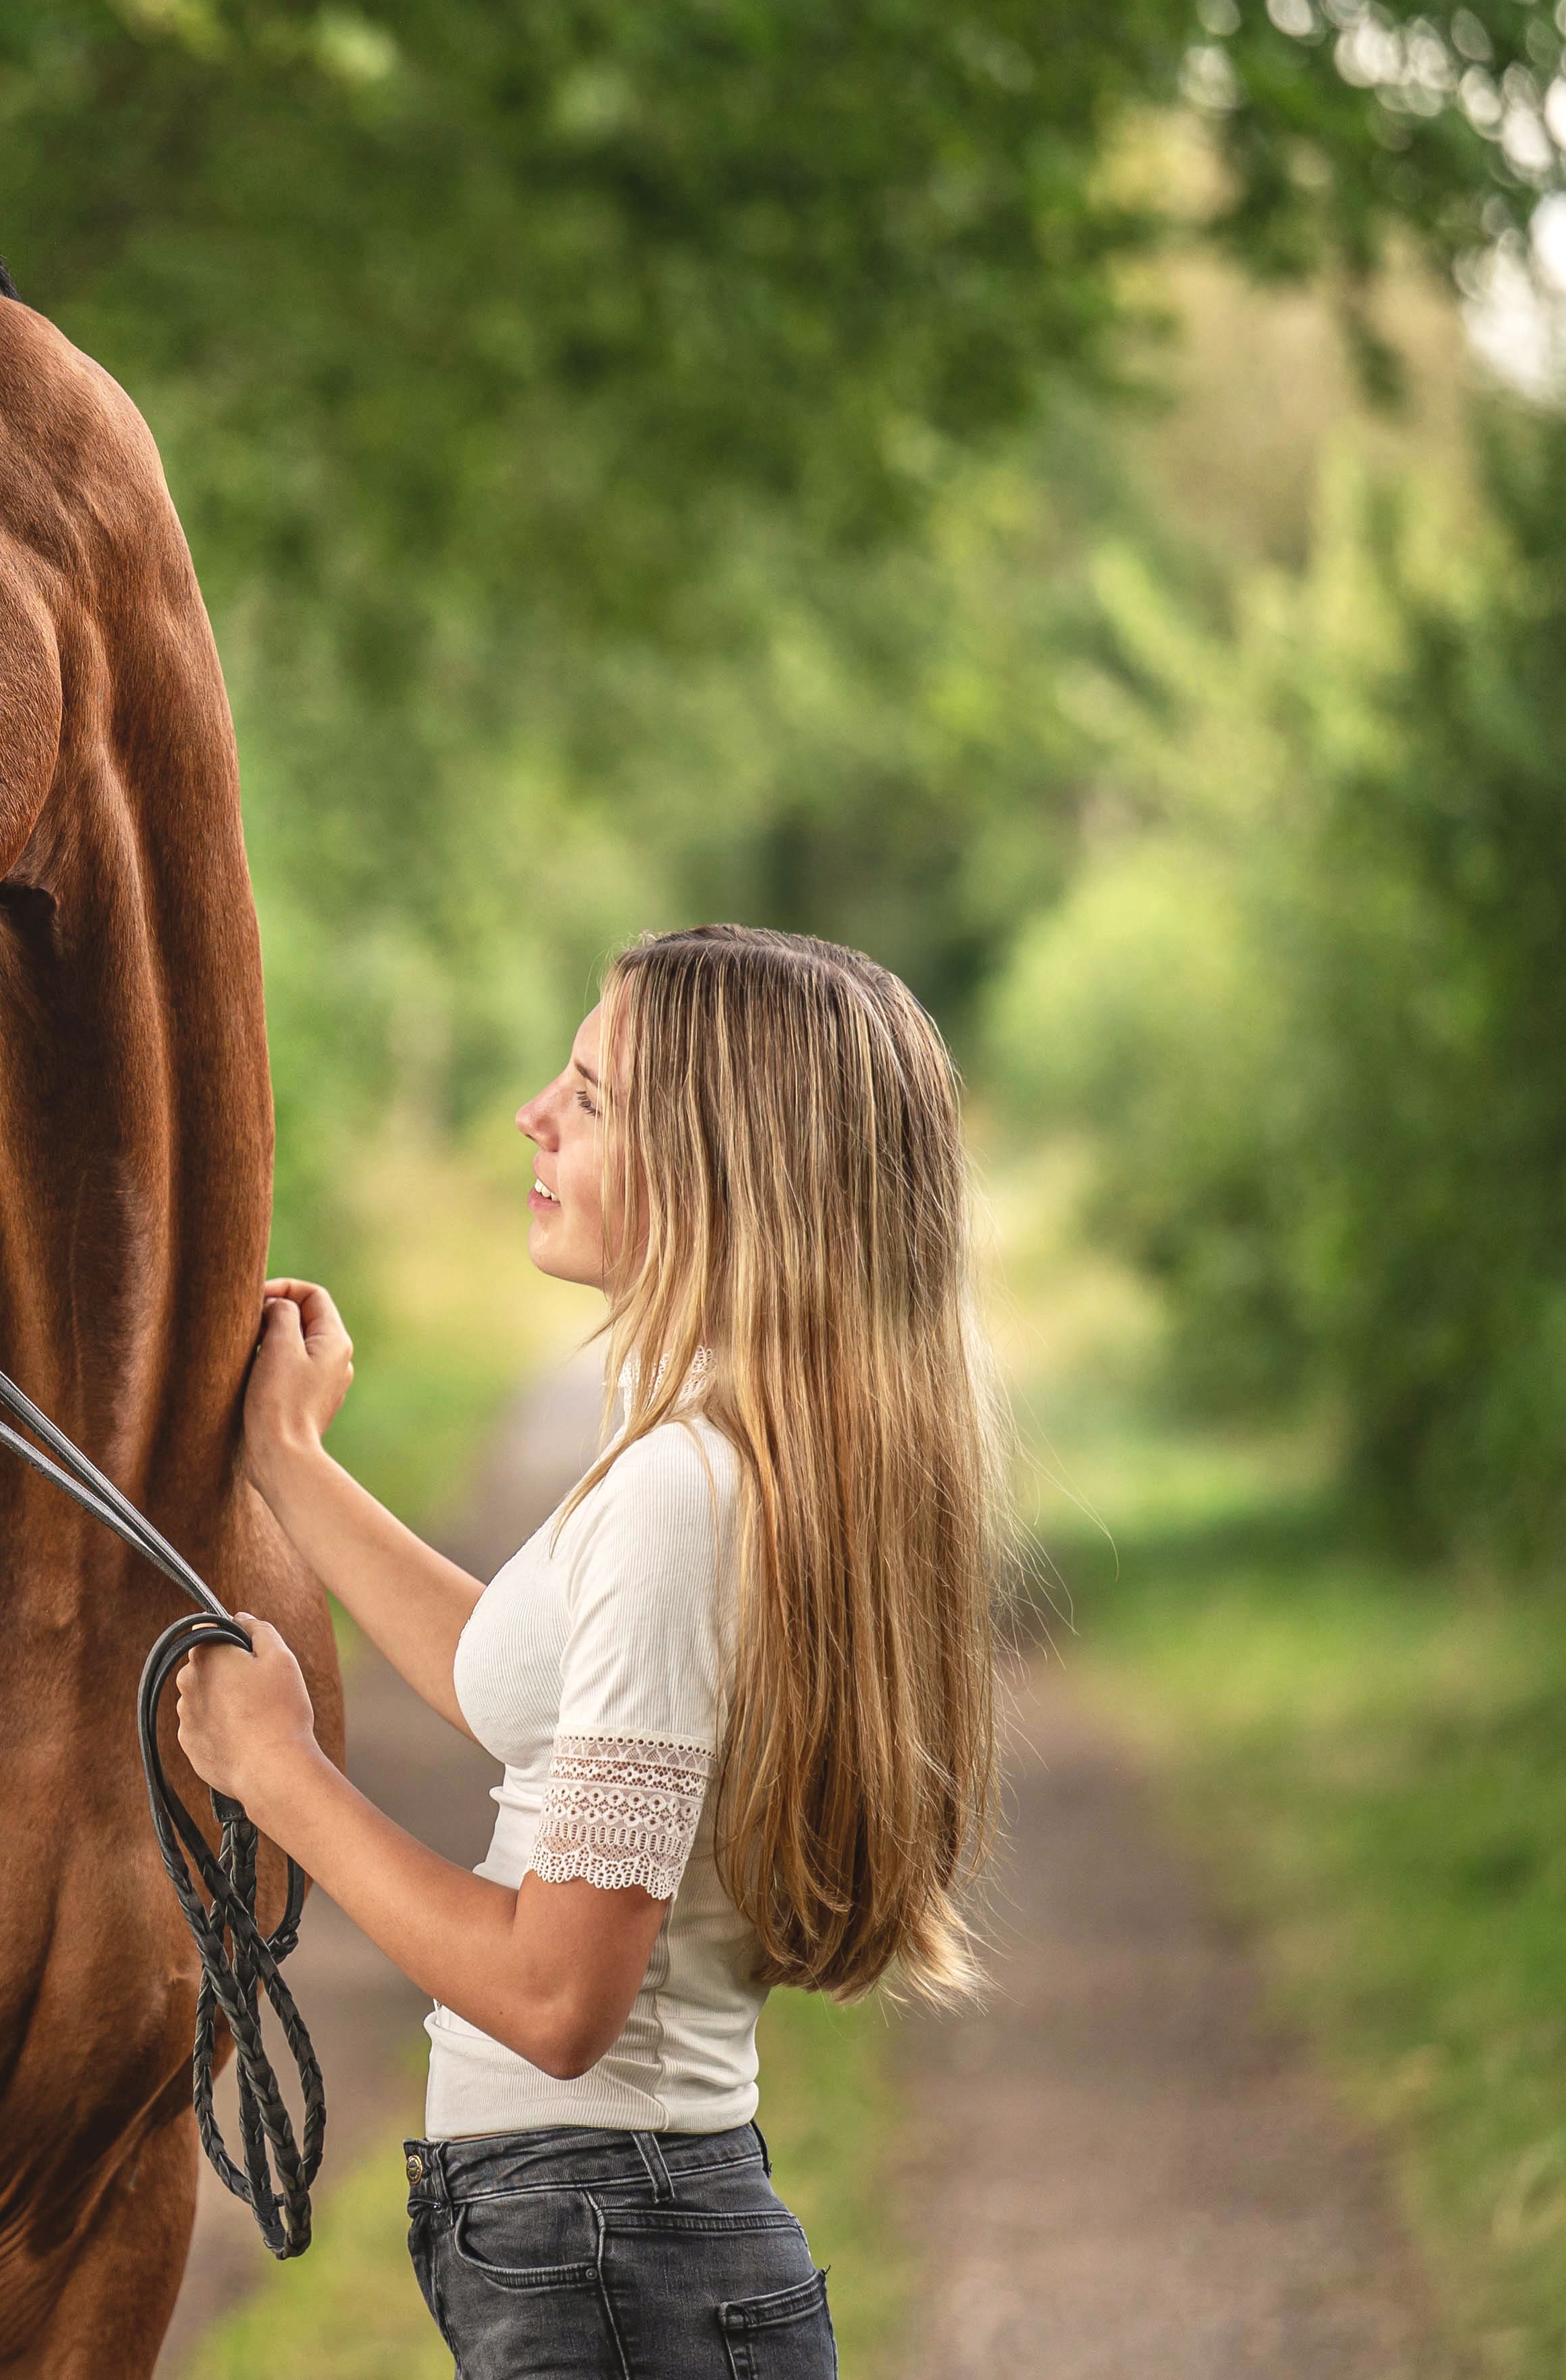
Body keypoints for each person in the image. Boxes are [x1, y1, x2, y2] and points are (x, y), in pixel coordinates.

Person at [175, 923, 1006, 2379]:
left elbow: (561, 2000)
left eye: (592, 1095)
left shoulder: (683, 1493)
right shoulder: (720, 1450)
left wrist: (279, 1771)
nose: (532, 1116)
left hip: (610, 2244)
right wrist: (292, 1466)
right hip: (614, 2233)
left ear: (718, 1169)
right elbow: (525, 1682)